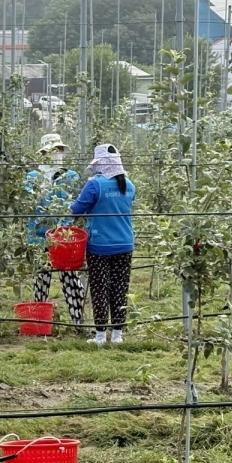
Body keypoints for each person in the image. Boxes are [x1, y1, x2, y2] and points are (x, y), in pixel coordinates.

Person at [70, 143, 135, 345]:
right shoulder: (130, 185)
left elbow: (77, 209)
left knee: (100, 288)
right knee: (120, 288)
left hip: (99, 245)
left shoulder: (95, 185)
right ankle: (117, 335)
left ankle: (99, 335)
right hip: (124, 243)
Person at [25, 133, 86, 326]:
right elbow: (28, 206)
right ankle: (40, 322)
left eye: (58, 150)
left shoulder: (71, 176)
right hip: (39, 236)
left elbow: (77, 204)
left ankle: (78, 322)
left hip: (65, 238)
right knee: (41, 279)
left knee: (70, 279)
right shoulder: (33, 177)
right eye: (52, 150)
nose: (56, 154)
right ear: (43, 153)